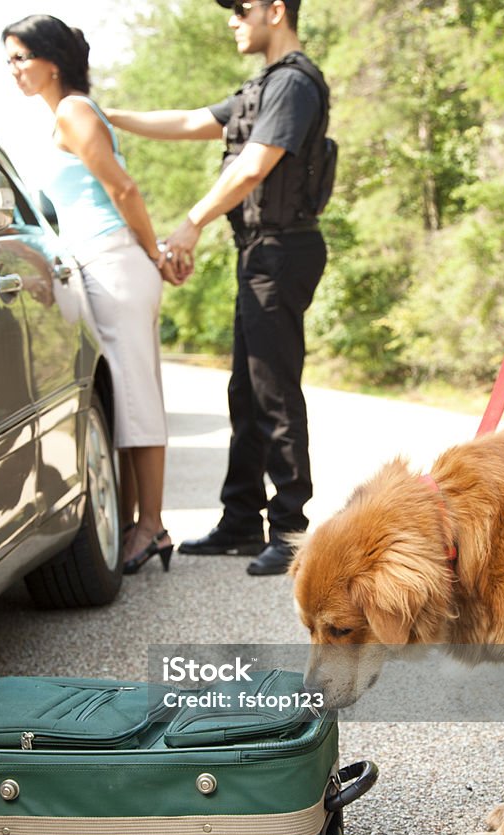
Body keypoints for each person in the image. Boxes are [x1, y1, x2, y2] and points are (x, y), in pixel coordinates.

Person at [107, 0, 331, 575]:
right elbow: (186, 122)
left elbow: (255, 165)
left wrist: (192, 222)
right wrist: (103, 116)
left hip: (282, 250)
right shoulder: (263, 87)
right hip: (260, 250)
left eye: (241, 8)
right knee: (246, 391)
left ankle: (290, 531)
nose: (233, 18)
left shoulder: (295, 84)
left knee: (274, 391)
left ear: (276, 10)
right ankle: (240, 521)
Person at [2, 14, 182, 575]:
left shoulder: (75, 112)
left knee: (136, 399)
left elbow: (121, 187)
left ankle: (152, 526)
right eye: (9, 61)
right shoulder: (65, 116)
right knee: (122, 397)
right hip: (100, 264)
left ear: (51, 61)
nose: (13, 71)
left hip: (116, 262)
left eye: (20, 58)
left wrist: (153, 251)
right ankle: (134, 521)